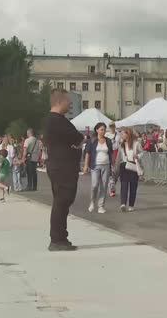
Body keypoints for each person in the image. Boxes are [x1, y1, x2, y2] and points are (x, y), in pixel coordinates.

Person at [45, 89, 84, 251]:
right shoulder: (57, 121)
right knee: (62, 202)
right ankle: (57, 239)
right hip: (63, 168)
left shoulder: (53, 121)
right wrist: (76, 146)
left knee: (62, 202)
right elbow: (77, 137)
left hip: (60, 166)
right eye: (68, 101)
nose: (70, 104)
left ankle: (61, 237)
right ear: (60, 102)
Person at [83, 122, 113, 214]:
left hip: (106, 165)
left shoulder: (108, 141)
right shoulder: (92, 140)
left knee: (103, 186)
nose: (103, 131)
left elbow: (110, 153)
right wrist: (85, 165)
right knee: (94, 185)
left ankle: (101, 206)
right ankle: (92, 202)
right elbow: (88, 153)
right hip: (95, 165)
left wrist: (112, 165)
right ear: (97, 130)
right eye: (101, 129)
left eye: (104, 129)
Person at [115, 128, 143, 212]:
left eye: (123, 134)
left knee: (133, 186)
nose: (121, 135)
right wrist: (116, 167)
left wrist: (138, 156)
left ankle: (131, 205)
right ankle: (123, 203)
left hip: (133, 166)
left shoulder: (136, 143)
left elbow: (142, 152)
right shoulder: (122, 144)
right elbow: (119, 157)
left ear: (128, 134)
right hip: (124, 166)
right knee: (124, 185)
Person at [105, 123, 120, 197]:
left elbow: (120, 143)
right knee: (111, 172)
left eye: (113, 126)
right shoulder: (107, 134)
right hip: (109, 153)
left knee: (116, 172)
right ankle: (111, 189)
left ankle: (113, 184)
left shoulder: (118, 134)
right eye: (110, 126)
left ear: (114, 127)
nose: (111, 128)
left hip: (117, 153)